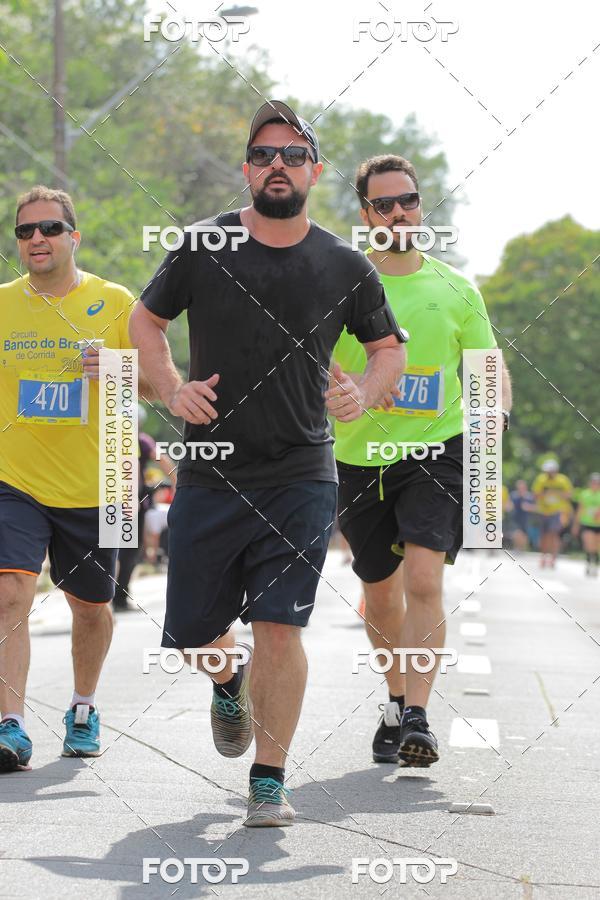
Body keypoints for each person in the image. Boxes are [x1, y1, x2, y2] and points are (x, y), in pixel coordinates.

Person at [129, 101, 407, 826]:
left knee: (281, 624)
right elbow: (146, 321)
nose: (275, 164)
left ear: (314, 170)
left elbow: (388, 349)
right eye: (262, 154)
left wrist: (364, 395)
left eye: (290, 154)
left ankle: (269, 778)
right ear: (247, 168)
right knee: (192, 632)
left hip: (300, 471)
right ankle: (229, 675)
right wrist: (169, 387)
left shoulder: (344, 263)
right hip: (212, 471)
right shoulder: (200, 246)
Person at [332, 154, 512, 766]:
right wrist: (338, 390)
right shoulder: (346, 286)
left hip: (438, 449)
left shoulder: (456, 287)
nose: (399, 212)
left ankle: (418, 717)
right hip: (359, 458)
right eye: (384, 204)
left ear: (420, 204)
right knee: (381, 595)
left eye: (408, 199)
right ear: (366, 214)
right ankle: (393, 699)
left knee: (426, 578)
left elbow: (487, 368)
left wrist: (497, 418)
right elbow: (311, 357)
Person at [0, 185, 152, 772]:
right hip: (15, 477)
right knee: (10, 589)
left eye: (49, 229)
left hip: (101, 477)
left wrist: (117, 368)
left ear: (73, 237)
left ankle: (83, 707)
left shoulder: (114, 302)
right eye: (25, 231)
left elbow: (153, 382)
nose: (36, 238)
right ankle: (10, 724)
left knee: (90, 604)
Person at [113, 406, 176, 610]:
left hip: (106, 503)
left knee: (108, 548)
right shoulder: (142, 440)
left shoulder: (106, 439)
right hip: (132, 505)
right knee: (128, 550)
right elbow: (165, 462)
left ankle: (106, 596)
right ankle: (119, 596)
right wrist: (180, 485)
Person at [532, 459, 573, 568]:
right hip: (543, 511)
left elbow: (569, 495)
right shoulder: (541, 480)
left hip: (557, 512)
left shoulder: (563, 480)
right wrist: (545, 493)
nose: (549, 473)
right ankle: (543, 557)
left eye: (551, 471)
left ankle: (553, 559)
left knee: (554, 535)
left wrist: (558, 493)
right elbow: (535, 495)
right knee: (544, 536)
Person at [572, 473, 600, 576]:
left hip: (598, 525)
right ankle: (589, 563)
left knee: (596, 546)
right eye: (593, 482)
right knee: (589, 545)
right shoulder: (584, 494)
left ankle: (595, 565)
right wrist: (576, 525)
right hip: (587, 523)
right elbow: (579, 510)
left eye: (597, 483)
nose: (595, 485)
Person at [509, 480, 537, 551]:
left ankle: (522, 548)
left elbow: (536, 507)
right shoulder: (513, 495)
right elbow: (509, 504)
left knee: (524, 535)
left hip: (526, 518)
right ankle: (517, 547)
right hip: (516, 517)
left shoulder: (529, 497)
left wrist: (528, 507)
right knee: (517, 533)